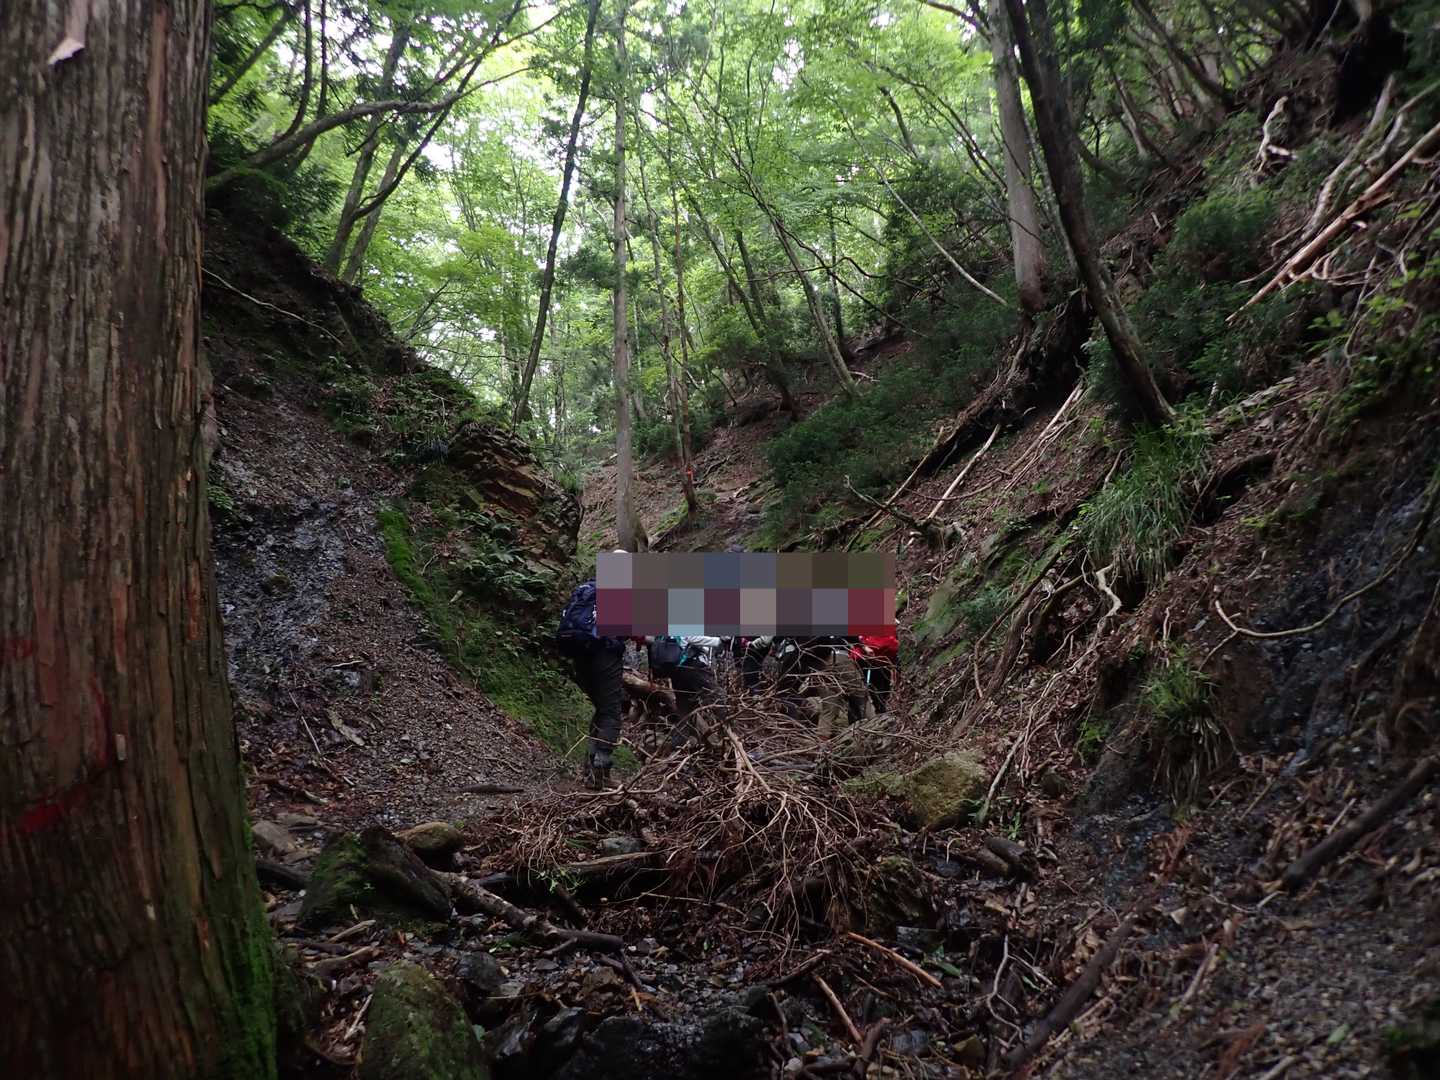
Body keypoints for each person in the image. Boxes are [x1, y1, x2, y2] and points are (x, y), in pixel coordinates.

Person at [555, 569, 628, 789]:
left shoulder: (586, 588)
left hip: (579, 654)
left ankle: (590, 770)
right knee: (611, 711)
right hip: (605, 654)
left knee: (602, 709)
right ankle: (600, 773)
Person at [650, 634, 722, 749]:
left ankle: (678, 745)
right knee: (719, 698)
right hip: (692, 665)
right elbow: (692, 637)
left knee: (685, 708)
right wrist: (718, 641)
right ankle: (733, 738)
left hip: (677, 668)